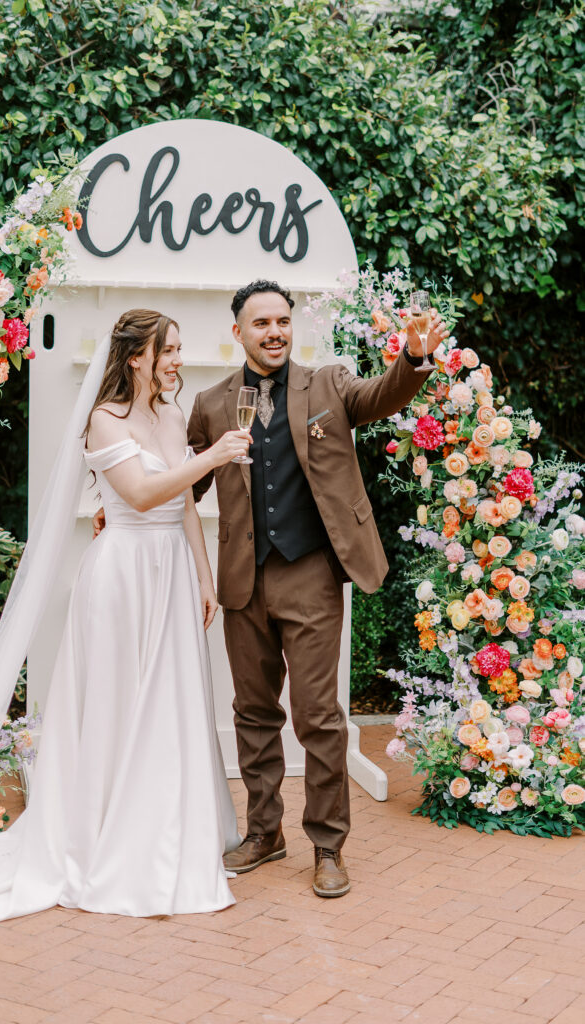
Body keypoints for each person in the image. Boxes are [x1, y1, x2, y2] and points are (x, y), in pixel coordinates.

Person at [0, 309, 251, 935]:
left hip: (170, 569)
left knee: (168, 701)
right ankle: (104, 839)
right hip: (122, 577)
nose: (176, 360)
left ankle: (165, 828)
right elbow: (143, 495)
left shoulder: (171, 415)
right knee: (120, 705)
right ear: (137, 358)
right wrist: (217, 457)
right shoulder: (104, 418)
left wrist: (203, 576)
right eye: (167, 351)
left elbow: (180, 510)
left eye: (177, 350)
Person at [186, 280, 449, 898]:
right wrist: (120, 509)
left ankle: (328, 846)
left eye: (282, 321)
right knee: (252, 713)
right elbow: (186, 479)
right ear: (238, 333)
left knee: (318, 716)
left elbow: (384, 395)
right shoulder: (211, 402)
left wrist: (411, 359)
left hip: (309, 574)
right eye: (261, 324)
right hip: (242, 581)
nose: (274, 332)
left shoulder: (328, 385)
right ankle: (264, 833)